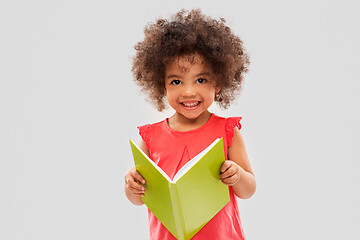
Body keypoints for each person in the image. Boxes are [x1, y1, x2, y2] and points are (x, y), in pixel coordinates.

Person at [124, 9, 256, 240]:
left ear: (218, 83)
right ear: (162, 86)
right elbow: (138, 199)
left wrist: (237, 176)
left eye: (201, 80)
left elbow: (249, 190)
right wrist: (132, 186)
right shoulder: (149, 138)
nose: (188, 91)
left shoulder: (227, 132)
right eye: (176, 81)